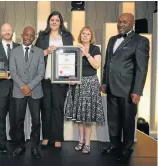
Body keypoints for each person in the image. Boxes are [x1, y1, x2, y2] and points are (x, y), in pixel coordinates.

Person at [101, 13, 149, 162]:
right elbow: (107, 63)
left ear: (132, 23)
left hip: (128, 90)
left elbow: (142, 69)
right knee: (113, 120)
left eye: (124, 22)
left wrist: (137, 91)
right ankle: (114, 145)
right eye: (119, 22)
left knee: (127, 121)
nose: (121, 24)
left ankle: (126, 149)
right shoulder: (112, 40)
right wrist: (104, 82)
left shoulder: (140, 41)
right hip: (111, 87)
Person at [35, 11, 74, 148]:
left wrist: (72, 75)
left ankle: (57, 137)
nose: (54, 22)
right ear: (48, 21)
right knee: (45, 108)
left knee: (57, 107)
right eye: (52, 20)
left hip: (61, 78)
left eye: (57, 20)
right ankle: (46, 136)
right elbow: (35, 54)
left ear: (61, 22)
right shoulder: (42, 36)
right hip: (45, 77)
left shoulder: (67, 37)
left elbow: (72, 56)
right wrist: (45, 52)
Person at [64, 26, 105, 154]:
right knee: (79, 116)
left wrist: (86, 54)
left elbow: (96, 65)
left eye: (88, 34)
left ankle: (87, 143)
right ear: (80, 35)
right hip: (77, 84)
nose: (85, 35)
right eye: (83, 33)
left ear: (91, 36)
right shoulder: (74, 48)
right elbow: (70, 66)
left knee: (88, 117)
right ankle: (80, 141)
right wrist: (70, 77)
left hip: (90, 84)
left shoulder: (95, 49)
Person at [10, 26, 45, 159]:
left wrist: (29, 87)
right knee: (19, 120)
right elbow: (13, 72)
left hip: (35, 91)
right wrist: (23, 87)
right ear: (22, 35)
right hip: (19, 91)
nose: (29, 38)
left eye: (32, 36)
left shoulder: (40, 52)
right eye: (26, 35)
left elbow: (41, 73)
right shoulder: (14, 51)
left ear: (34, 37)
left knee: (36, 121)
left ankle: (35, 147)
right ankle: (20, 145)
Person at [0, 23, 20, 152]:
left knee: (15, 117)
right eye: (4, 30)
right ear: (1, 33)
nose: (7, 32)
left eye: (9, 30)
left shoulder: (19, 47)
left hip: (16, 89)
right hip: (0, 88)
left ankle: (14, 140)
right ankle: (2, 143)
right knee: (1, 117)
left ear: (12, 31)